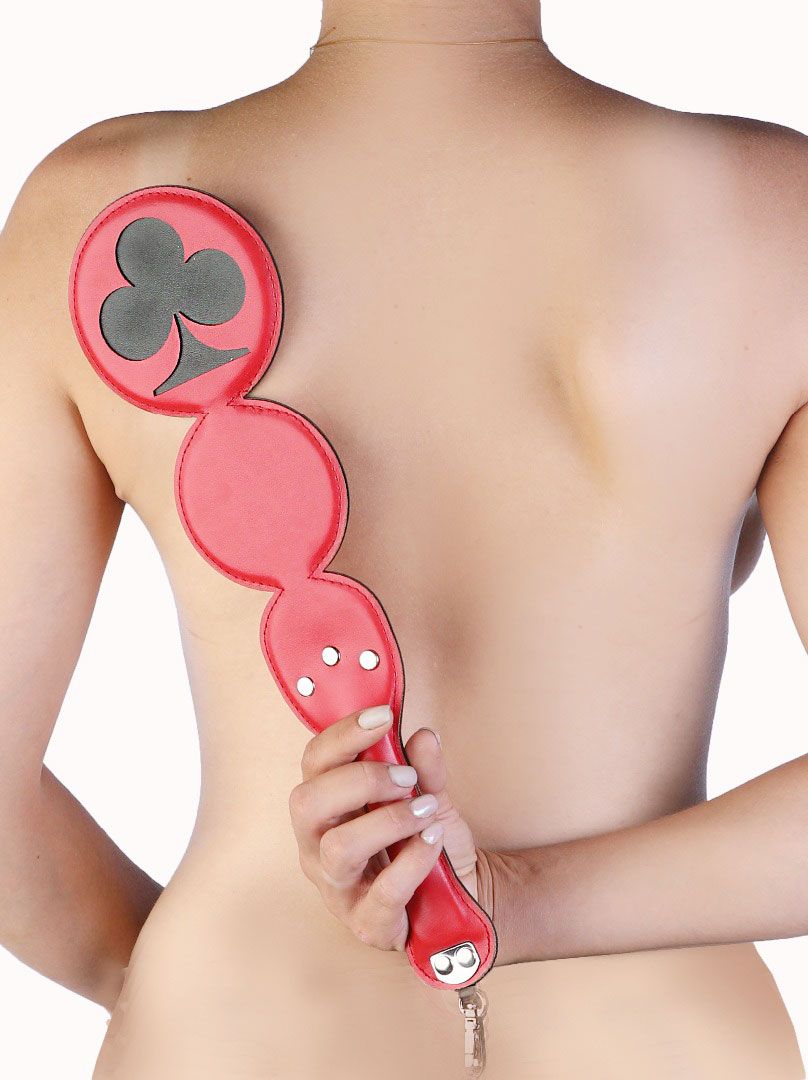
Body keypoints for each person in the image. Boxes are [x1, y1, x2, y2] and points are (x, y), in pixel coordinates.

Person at [1, 1, 807, 1076]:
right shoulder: (776, 214)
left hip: (248, 1035)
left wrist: (171, 985)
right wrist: (522, 906)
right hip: (661, 1039)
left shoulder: (99, 211)